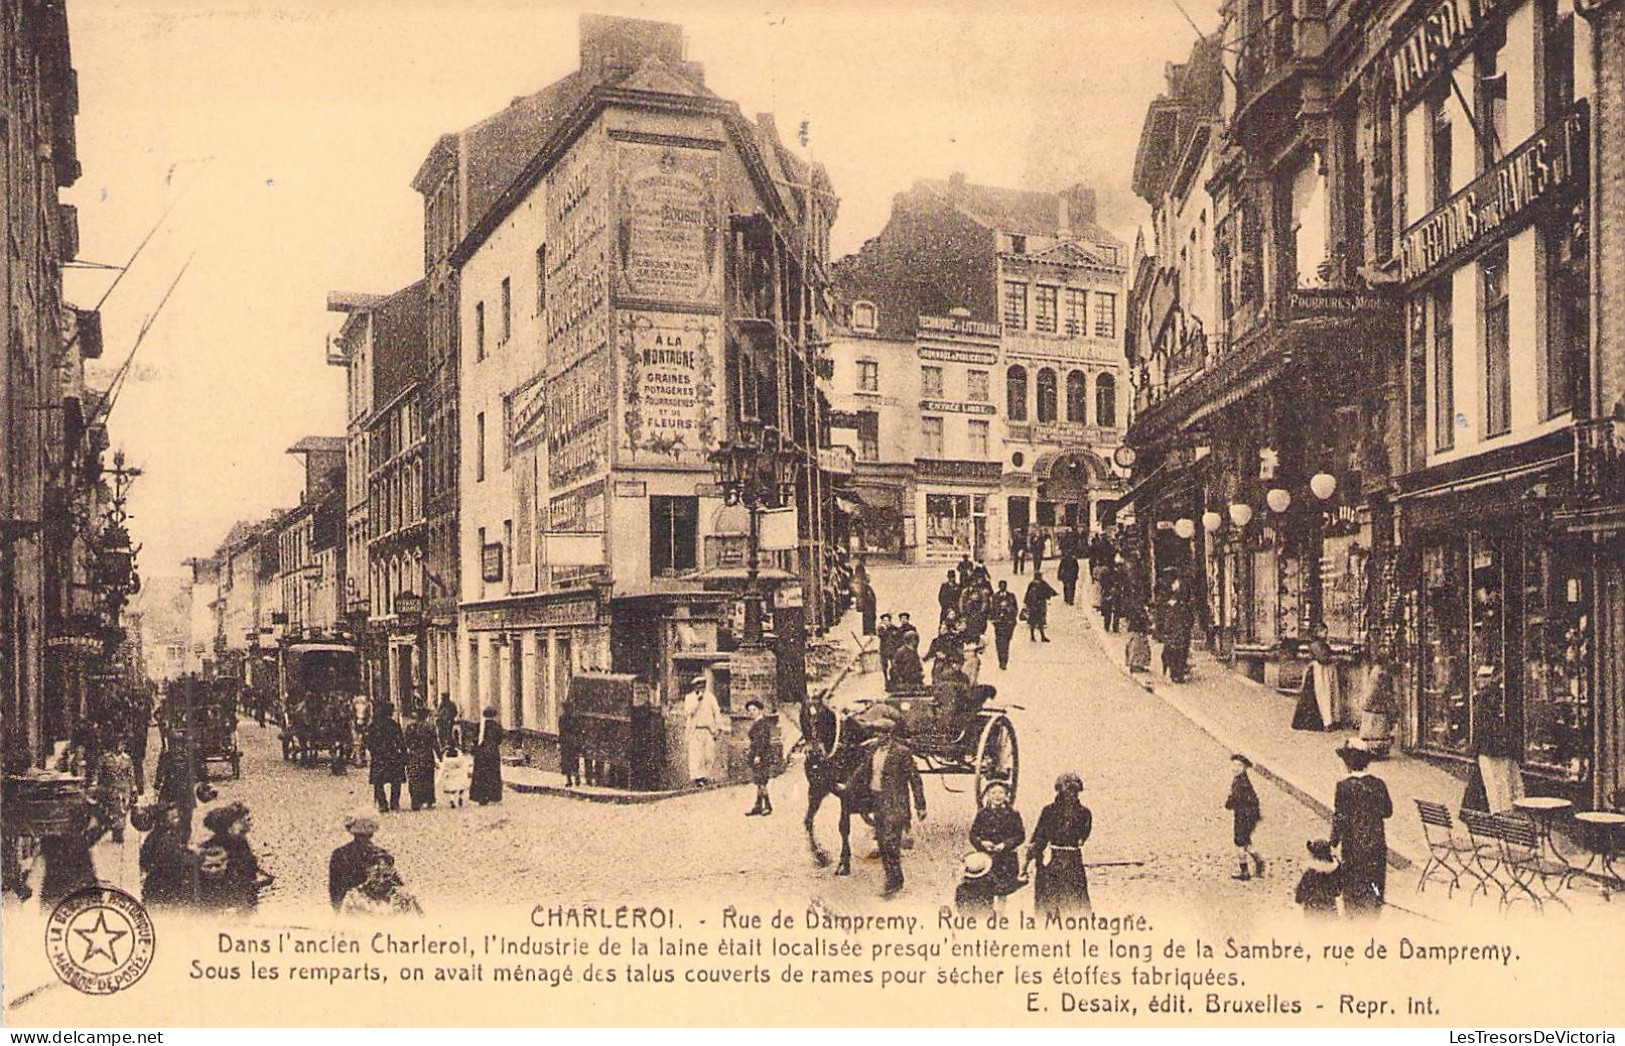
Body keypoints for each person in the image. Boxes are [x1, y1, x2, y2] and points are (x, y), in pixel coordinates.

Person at [846, 705, 926, 898]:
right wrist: (848, 788)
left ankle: (893, 882)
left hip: (896, 804)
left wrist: (920, 805)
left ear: (889, 735)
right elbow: (862, 771)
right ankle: (894, 879)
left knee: (890, 843)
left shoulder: (902, 753)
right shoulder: (873, 750)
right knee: (882, 843)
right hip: (878, 802)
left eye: (881, 733)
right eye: (875, 732)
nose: (877, 736)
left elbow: (915, 780)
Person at [1330, 740, 1392, 917]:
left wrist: (1333, 843)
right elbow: (1388, 812)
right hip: (1376, 845)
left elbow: (1339, 817)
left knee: (1353, 890)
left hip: (1353, 846)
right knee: (1375, 886)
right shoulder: (1379, 784)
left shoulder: (1343, 787)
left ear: (1348, 763)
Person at [1025, 773, 1093, 917]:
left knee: (1074, 896)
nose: (1070, 795)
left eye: (1074, 792)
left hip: (1072, 857)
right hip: (1052, 857)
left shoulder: (1084, 812)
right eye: (1066, 792)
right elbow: (1040, 834)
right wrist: (1033, 855)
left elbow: (1083, 835)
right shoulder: (1049, 811)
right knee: (1049, 897)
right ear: (1059, 792)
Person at [196, 802, 270, 914]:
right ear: (229, 826)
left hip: (244, 898)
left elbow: (250, 869)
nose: (249, 823)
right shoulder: (214, 849)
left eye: (249, 820)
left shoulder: (241, 842)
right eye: (243, 821)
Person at [38, 799, 107, 910]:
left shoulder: (49, 841)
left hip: (55, 887)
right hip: (81, 885)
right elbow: (101, 825)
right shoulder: (80, 841)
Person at [969, 782, 1026, 900]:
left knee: (1002, 893)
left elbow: (1020, 836)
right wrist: (982, 843)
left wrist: (1005, 845)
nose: (997, 796)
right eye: (993, 793)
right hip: (986, 859)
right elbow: (973, 835)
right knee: (985, 891)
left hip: (1006, 859)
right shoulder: (982, 814)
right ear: (988, 796)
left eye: (1001, 793)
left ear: (1006, 796)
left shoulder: (1013, 814)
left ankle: (1000, 916)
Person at [140, 801, 197, 908]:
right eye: (173, 818)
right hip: (165, 882)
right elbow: (174, 859)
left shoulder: (157, 836)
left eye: (177, 817)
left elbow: (144, 861)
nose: (177, 821)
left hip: (156, 881)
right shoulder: (165, 838)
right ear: (163, 821)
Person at [328, 811, 385, 911]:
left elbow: (334, 887)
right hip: (376, 907)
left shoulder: (339, 854)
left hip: (349, 906)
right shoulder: (381, 854)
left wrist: (337, 911)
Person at [339, 850, 423, 917]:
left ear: (392, 874)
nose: (381, 881)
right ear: (367, 873)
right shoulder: (353, 897)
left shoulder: (403, 897)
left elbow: (420, 923)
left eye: (386, 876)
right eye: (376, 876)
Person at [1225, 754, 1265, 881]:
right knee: (1246, 842)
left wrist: (1228, 803)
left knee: (1239, 843)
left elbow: (1235, 799)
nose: (1236, 768)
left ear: (1244, 768)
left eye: (1239, 765)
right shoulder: (1242, 780)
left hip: (1243, 816)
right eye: (1234, 764)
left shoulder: (1240, 782)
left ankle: (1245, 871)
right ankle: (1259, 863)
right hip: (1248, 816)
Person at [684, 674, 727, 786]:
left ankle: (706, 776)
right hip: (695, 730)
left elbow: (717, 713)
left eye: (702, 685)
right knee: (696, 755)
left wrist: (718, 727)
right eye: (698, 686)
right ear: (694, 687)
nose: (700, 688)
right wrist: (697, 701)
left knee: (708, 755)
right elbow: (689, 711)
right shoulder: (689, 698)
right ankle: (698, 778)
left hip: (708, 730)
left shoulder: (710, 697)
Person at [364, 701, 406, 813]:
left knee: (378, 781)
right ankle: (394, 803)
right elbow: (400, 741)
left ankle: (383, 804)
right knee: (396, 780)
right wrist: (403, 753)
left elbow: (367, 740)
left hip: (379, 756)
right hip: (392, 755)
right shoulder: (394, 725)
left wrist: (373, 750)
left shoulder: (374, 725)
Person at [93, 740, 137, 844]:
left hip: (123, 788)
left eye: (121, 745)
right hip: (111, 788)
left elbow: (130, 775)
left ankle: (119, 832)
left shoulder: (127, 759)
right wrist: (97, 786)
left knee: (122, 810)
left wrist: (133, 787)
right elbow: (99, 774)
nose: (119, 747)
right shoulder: (106, 758)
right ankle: (115, 830)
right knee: (113, 810)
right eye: (117, 745)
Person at [403, 707, 440, 811]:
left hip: (414, 755)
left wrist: (405, 754)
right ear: (426, 716)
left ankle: (415, 801)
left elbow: (406, 742)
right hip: (427, 755)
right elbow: (435, 742)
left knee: (414, 778)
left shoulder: (410, 727)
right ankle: (429, 800)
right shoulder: (430, 726)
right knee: (427, 778)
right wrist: (439, 755)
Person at [1295, 839, 1342, 919]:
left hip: (1312, 910)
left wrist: (1299, 899)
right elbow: (1337, 891)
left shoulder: (1309, 873)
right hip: (1329, 909)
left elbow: (1300, 894)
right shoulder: (1332, 873)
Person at [745, 700, 776, 817]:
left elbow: (761, 741)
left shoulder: (762, 723)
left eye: (754, 710)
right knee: (759, 781)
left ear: (760, 711)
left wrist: (758, 755)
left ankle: (767, 806)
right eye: (749, 711)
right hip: (757, 755)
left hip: (762, 756)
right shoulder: (757, 723)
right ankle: (758, 806)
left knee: (762, 782)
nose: (751, 712)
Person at [470, 708, 505, 805]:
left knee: (481, 775)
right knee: (492, 774)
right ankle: (493, 796)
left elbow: (474, 739)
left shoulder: (479, 726)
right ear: (494, 716)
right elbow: (499, 740)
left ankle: (481, 797)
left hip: (481, 753)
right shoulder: (497, 726)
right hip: (493, 753)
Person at [989, 580, 1020, 671]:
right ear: (999, 586)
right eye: (1001, 586)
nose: (1003, 587)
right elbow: (992, 609)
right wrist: (995, 618)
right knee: (999, 643)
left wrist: (1009, 612)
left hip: (1008, 623)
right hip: (998, 624)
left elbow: (1015, 608)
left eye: (1004, 586)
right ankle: (1001, 661)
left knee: (1006, 643)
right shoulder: (995, 597)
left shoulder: (1011, 596)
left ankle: (1004, 660)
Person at [1023, 571, 1057, 643]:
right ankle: (1041, 637)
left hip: (1033, 605)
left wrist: (1026, 603)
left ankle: (1033, 637)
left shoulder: (1032, 584)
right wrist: (1052, 594)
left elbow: (1027, 594)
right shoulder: (1042, 583)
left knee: (1033, 621)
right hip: (1039, 605)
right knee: (1040, 621)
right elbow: (1049, 591)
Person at [876, 613, 898, 687]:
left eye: (887, 620)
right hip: (884, 650)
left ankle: (894, 679)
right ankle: (886, 679)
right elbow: (880, 635)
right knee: (884, 666)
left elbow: (897, 636)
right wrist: (884, 629)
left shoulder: (894, 628)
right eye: (884, 620)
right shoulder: (881, 629)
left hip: (892, 649)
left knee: (894, 665)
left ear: (890, 621)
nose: (886, 622)